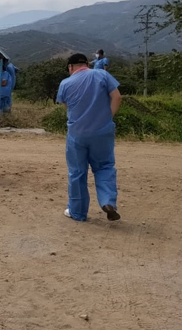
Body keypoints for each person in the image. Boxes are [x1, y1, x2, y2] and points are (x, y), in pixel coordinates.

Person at [56, 53, 122, 222]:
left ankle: (77, 213)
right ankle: (108, 202)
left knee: (77, 172)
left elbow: (66, 106)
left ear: (70, 67)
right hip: (102, 131)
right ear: (87, 64)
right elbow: (117, 97)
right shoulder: (102, 74)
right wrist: (108, 117)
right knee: (105, 166)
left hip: (77, 134)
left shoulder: (65, 83)